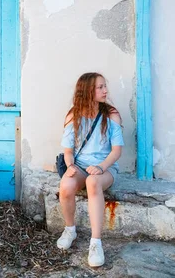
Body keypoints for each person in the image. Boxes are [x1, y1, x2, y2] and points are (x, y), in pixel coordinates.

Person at [56, 72, 124, 267]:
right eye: (100, 87)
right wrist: (70, 167)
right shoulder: (73, 115)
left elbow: (117, 151)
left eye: (105, 86)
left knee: (93, 182)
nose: (105, 90)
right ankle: (70, 229)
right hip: (80, 165)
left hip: (105, 168)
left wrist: (101, 167)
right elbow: (68, 151)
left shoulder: (111, 115)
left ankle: (96, 243)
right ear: (87, 91)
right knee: (66, 185)